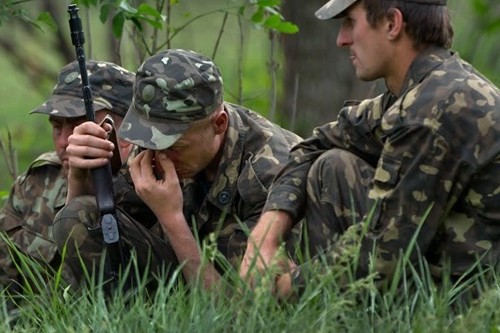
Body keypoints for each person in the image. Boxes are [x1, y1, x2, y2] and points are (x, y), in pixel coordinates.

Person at [240, 0, 500, 298]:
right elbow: (316, 144)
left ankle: (331, 316)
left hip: (464, 302)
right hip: (438, 270)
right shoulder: (426, 89)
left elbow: (383, 252)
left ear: (392, 24)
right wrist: (267, 233)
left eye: (350, 22)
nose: (341, 39)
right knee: (333, 166)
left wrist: (283, 287)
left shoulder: (432, 110)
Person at [53, 48, 302, 290]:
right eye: (149, 139)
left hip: (227, 293)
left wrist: (171, 219)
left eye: (172, 143)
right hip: (186, 275)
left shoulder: (272, 171)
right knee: (80, 215)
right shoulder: (158, 143)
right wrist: (80, 177)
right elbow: (92, 228)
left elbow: (243, 312)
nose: (160, 155)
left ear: (219, 124)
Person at [0, 60, 135, 294]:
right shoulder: (37, 184)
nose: (63, 142)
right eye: (56, 127)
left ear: (124, 129)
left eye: (78, 126)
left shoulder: (152, 187)